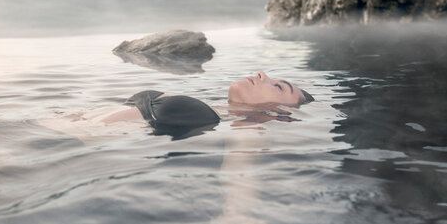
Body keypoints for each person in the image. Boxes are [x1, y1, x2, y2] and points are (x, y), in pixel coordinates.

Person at [100, 71, 314, 135]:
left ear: (281, 112)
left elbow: (241, 166)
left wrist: (237, 212)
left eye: (278, 87)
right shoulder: (213, 109)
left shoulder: (248, 129)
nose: (261, 73)